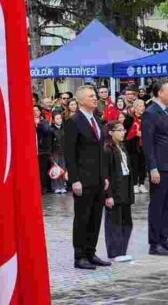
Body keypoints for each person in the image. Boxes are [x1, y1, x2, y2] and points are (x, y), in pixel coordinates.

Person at [63, 86, 111, 270]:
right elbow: (70, 153)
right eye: (91, 96)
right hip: (83, 178)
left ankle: (91, 252)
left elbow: (101, 151)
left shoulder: (97, 120)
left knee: (95, 217)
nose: (95, 98)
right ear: (81, 100)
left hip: (98, 178)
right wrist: (74, 179)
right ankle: (80, 255)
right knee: (82, 217)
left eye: (95, 95)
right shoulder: (74, 122)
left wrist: (105, 175)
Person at [143, 81, 168, 255]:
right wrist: (152, 168)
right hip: (160, 166)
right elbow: (148, 143)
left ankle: (164, 238)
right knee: (158, 205)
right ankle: (154, 243)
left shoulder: (167, 110)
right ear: (160, 93)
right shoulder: (151, 113)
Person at [103, 120, 135, 262]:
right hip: (115, 191)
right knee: (114, 223)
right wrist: (108, 195)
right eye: (119, 130)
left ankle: (123, 250)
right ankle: (114, 252)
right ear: (111, 132)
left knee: (126, 221)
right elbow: (106, 175)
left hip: (125, 189)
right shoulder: (107, 150)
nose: (123, 132)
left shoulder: (122, 147)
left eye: (123, 130)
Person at [125, 99, 147, 194]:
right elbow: (125, 134)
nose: (142, 108)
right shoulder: (129, 119)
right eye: (139, 106)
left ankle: (141, 183)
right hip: (132, 146)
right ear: (135, 108)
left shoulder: (146, 118)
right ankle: (134, 184)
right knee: (134, 165)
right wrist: (135, 133)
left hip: (143, 146)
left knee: (143, 165)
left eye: (143, 106)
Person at [50, 113, 68, 194]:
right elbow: (49, 143)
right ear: (53, 120)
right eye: (57, 119)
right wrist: (50, 154)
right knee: (55, 169)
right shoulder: (51, 130)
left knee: (62, 169)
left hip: (63, 151)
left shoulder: (64, 129)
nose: (59, 120)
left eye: (60, 118)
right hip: (55, 152)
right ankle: (55, 186)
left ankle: (62, 186)